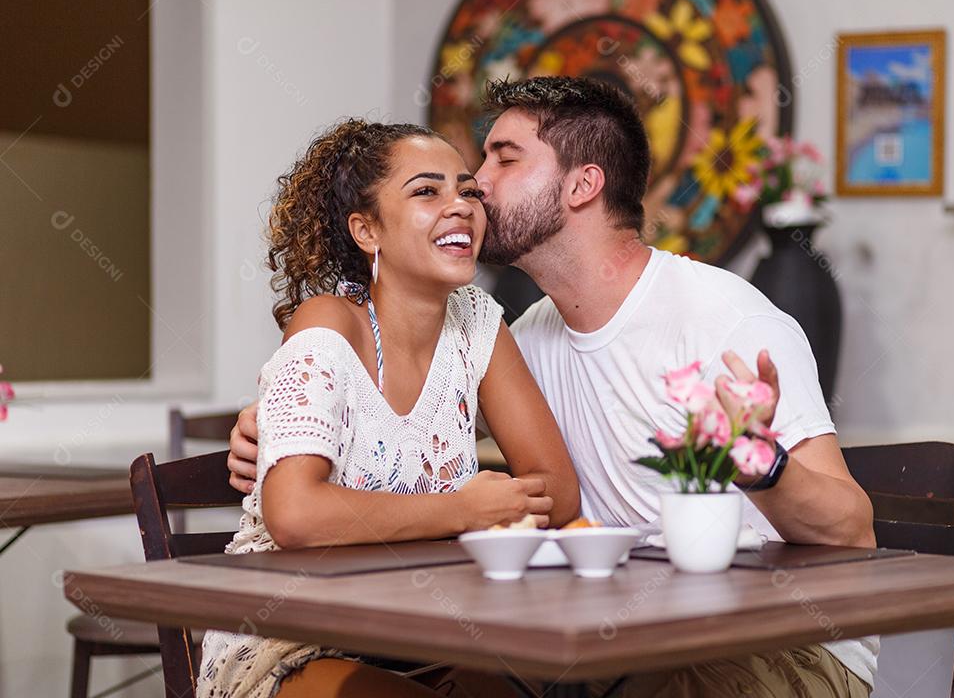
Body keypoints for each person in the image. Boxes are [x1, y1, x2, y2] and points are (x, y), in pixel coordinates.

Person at [229, 77, 877, 697]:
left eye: (501, 160)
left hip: (775, 636)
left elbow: (852, 530)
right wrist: (283, 411)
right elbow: (388, 422)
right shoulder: (526, 335)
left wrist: (760, 465)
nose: (477, 186)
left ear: (582, 185)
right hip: (615, 634)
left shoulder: (726, 319)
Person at [198, 118, 579, 698]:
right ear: (367, 230)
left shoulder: (476, 323)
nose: (461, 206)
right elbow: (295, 513)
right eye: (427, 191)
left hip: (430, 633)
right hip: (294, 636)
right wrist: (465, 509)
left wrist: (487, 506)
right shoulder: (328, 321)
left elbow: (556, 491)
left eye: (468, 190)